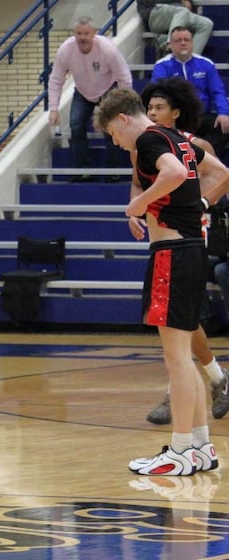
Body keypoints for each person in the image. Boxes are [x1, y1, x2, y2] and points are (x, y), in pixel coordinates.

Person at [94, 87, 228, 475]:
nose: (118, 145)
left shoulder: (150, 138)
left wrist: (139, 203)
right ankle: (201, 447)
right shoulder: (177, 138)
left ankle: (182, 449)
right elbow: (222, 173)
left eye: (114, 136)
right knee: (184, 357)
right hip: (190, 251)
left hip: (171, 253)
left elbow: (171, 174)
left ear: (122, 119)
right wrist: (199, 203)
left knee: (176, 359)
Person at [130, 78, 229, 425]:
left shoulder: (193, 145)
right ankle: (215, 379)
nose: (153, 112)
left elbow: (224, 177)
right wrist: (136, 208)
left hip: (187, 233)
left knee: (180, 318)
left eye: (160, 107)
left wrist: (205, 201)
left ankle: (180, 395)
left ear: (176, 112)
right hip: (162, 233)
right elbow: (138, 182)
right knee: (183, 318)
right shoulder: (143, 145)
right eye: (150, 107)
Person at [47, 16, 132, 182]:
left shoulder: (107, 49)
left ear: (94, 33)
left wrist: (122, 104)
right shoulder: (65, 50)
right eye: (79, 34)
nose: (83, 38)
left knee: (111, 127)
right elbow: (56, 79)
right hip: (83, 91)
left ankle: (113, 170)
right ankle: (83, 169)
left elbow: (125, 77)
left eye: (86, 33)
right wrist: (53, 108)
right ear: (74, 34)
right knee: (76, 125)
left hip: (109, 89)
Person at [152, 26, 229, 155]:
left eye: (186, 40)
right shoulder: (162, 66)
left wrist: (224, 113)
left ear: (192, 42)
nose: (183, 43)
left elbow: (218, 92)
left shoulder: (206, 64)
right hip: (176, 119)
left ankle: (200, 156)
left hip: (202, 117)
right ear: (170, 45)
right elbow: (158, 94)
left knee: (225, 126)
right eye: (178, 40)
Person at [137, 0, 213, 55]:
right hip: (156, 12)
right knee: (182, 11)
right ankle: (170, 44)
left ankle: (191, 60)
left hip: (183, 14)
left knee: (206, 24)